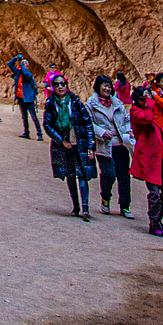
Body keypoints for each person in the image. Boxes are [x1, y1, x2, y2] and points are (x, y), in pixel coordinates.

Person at [44, 71, 97, 219]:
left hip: (78, 144)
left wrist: (91, 146)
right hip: (63, 147)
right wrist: (60, 140)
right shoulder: (51, 105)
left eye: (63, 84)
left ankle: (85, 208)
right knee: (71, 175)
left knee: (82, 175)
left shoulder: (76, 103)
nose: (60, 87)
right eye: (57, 84)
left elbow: (87, 124)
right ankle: (76, 206)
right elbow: (48, 125)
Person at [88, 74, 134, 216]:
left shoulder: (117, 103)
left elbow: (126, 120)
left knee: (124, 176)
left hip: (121, 144)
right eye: (104, 85)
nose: (107, 89)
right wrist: (101, 132)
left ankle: (125, 206)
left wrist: (129, 131)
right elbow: (88, 123)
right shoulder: (91, 104)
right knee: (109, 174)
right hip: (104, 146)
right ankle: (105, 197)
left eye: (109, 86)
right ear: (98, 86)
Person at [131, 84, 163, 236]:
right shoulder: (136, 111)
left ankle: (157, 219)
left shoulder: (149, 110)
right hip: (148, 159)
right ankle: (154, 223)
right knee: (155, 193)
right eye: (143, 99)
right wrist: (150, 101)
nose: (147, 101)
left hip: (159, 158)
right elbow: (147, 119)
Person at [16, 58, 40, 139]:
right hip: (21, 98)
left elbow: (26, 74)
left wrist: (21, 66)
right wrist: (16, 60)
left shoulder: (29, 74)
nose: (23, 65)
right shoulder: (19, 75)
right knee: (24, 117)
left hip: (29, 99)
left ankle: (39, 134)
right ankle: (26, 133)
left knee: (33, 116)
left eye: (25, 64)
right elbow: (10, 65)